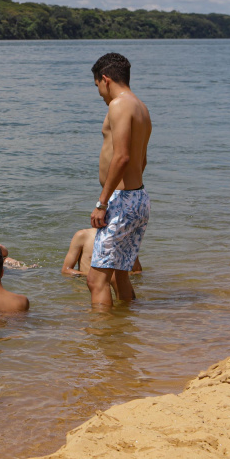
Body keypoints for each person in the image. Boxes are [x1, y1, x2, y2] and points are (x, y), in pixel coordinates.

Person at [87, 53, 151, 307]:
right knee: (119, 275)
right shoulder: (140, 106)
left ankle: (103, 340)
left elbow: (122, 156)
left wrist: (102, 203)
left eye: (98, 87)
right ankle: (124, 334)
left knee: (96, 280)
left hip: (122, 200)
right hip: (138, 197)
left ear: (105, 79)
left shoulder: (119, 105)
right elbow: (142, 160)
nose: (100, 94)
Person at [61, 228, 141, 277]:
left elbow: (137, 271)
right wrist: (96, 276)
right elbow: (66, 270)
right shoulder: (83, 235)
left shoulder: (125, 238)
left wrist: (119, 277)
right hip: (86, 286)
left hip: (117, 287)